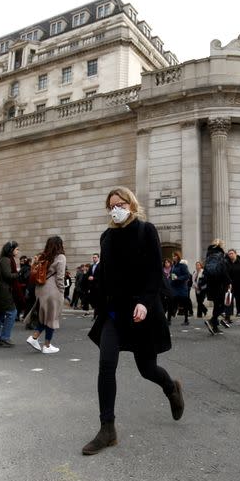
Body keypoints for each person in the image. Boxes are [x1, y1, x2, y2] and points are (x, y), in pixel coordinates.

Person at [82, 186, 184, 455]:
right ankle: (107, 429)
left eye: (120, 203)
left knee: (147, 369)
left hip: (141, 313)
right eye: (111, 205)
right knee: (106, 365)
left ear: (130, 204)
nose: (115, 208)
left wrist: (144, 301)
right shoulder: (107, 236)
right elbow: (104, 274)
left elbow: (153, 271)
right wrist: (97, 301)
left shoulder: (145, 230)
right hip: (113, 315)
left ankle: (170, 387)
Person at [26, 236, 66, 353]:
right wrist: (62, 292)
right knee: (52, 317)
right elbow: (60, 277)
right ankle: (46, 345)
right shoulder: (60, 257)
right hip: (52, 289)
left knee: (45, 316)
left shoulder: (43, 256)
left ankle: (35, 338)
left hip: (40, 288)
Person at [0, 241, 20, 347]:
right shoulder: (7, 260)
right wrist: (18, 273)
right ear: (11, 250)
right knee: (12, 313)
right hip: (4, 292)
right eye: (16, 249)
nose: (18, 251)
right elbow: (8, 275)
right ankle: (5, 337)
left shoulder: (0, 260)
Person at [202, 239, 231, 336]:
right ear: (220, 246)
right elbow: (223, 270)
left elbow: (205, 270)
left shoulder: (209, 255)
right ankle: (212, 321)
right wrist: (229, 282)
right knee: (222, 306)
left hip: (211, 284)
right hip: (219, 284)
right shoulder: (220, 255)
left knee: (216, 304)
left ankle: (215, 327)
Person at [170, 252, 192, 326]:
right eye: (173, 256)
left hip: (182, 288)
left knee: (185, 305)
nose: (173, 257)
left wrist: (178, 278)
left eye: (175, 256)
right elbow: (172, 275)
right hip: (174, 287)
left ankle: (186, 320)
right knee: (171, 303)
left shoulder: (182, 265)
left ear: (178, 257)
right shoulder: (173, 265)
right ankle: (168, 320)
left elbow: (187, 275)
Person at [225, 249, 240, 325]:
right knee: (228, 302)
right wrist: (228, 283)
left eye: (232, 253)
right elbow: (226, 274)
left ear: (236, 254)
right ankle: (227, 319)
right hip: (229, 286)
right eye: (229, 254)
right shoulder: (227, 263)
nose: (230, 255)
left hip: (239, 286)